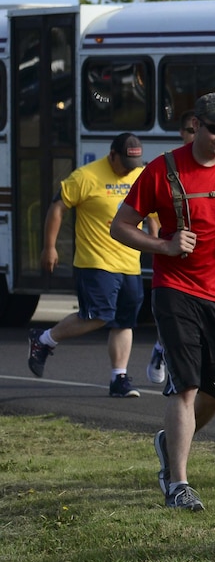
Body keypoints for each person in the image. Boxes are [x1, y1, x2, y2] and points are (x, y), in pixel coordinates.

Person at [110, 94, 215, 510]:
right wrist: (163, 244)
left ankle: (170, 441)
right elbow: (121, 226)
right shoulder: (162, 171)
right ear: (195, 125)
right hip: (175, 290)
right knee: (186, 386)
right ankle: (178, 484)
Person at [28, 132, 149, 397]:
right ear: (112, 154)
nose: (128, 171)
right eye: (124, 165)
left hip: (130, 261)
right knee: (98, 316)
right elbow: (57, 208)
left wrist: (160, 242)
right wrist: (49, 247)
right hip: (95, 260)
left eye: (134, 165)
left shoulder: (139, 175)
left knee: (124, 322)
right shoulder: (85, 176)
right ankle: (45, 339)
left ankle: (119, 379)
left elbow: (153, 213)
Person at [144, 113, 203, 388]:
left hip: (211, 271)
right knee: (181, 327)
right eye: (192, 132)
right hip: (176, 270)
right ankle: (172, 368)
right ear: (183, 133)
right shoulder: (168, 168)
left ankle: (160, 350)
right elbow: (153, 211)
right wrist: (161, 244)